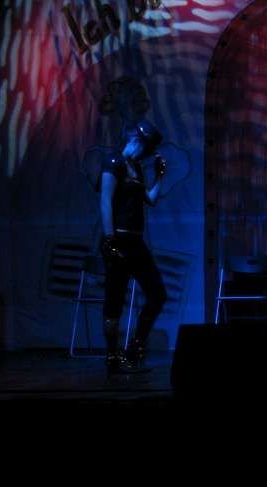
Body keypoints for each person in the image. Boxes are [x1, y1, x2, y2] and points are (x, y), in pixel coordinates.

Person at [100, 119, 167, 374]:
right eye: (146, 148)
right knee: (114, 300)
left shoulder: (136, 168)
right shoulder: (113, 163)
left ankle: (135, 349)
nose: (146, 154)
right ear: (137, 141)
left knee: (157, 294)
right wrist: (110, 240)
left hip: (136, 242)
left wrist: (159, 176)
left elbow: (150, 199)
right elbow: (105, 201)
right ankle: (112, 356)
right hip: (118, 238)